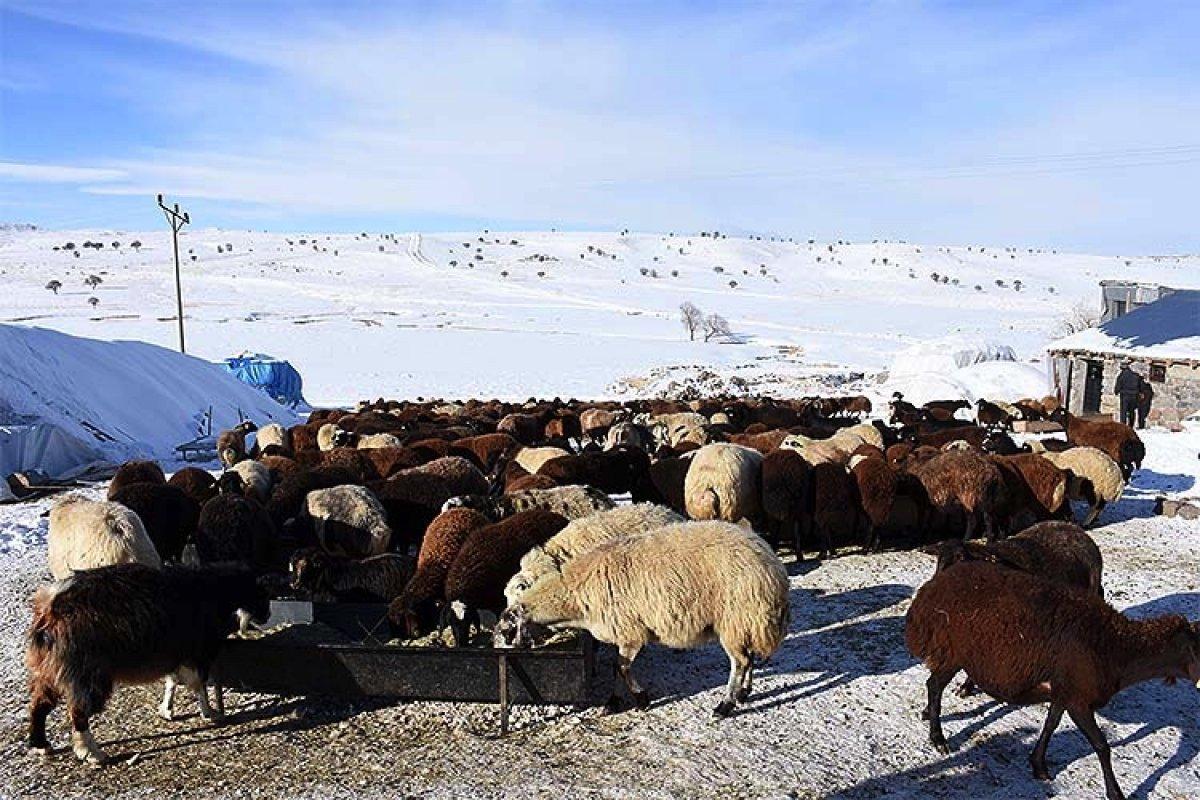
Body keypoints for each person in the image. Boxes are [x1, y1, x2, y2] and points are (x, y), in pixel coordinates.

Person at [1113, 360, 1140, 427]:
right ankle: (1131, 425)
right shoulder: (1135, 375)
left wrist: (1116, 391)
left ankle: (1123, 426)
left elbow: (1118, 385)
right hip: (1134, 395)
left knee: (1123, 411)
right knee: (1132, 411)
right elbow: (1139, 386)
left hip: (1125, 395)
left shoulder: (1121, 375)